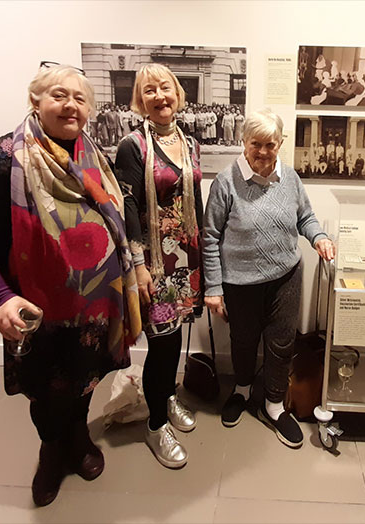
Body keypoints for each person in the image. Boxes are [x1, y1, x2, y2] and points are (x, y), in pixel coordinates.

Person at [0, 62, 141, 507]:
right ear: (34, 101)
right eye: (58, 94)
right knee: (47, 387)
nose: (70, 105)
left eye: (79, 98)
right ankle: (52, 450)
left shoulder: (94, 156)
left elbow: (116, 217)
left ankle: (79, 436)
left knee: (84, 379)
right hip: (38, 309)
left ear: (90, 110)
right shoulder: (2, 158)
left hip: (97, 306)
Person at [203, 109, 335, 448]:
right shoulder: (225, 182)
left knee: (281, 343)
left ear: (281, 143)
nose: (263, 152)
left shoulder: (290, 178)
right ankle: (243, 389)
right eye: (255, 144)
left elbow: (306, 216)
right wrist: (214, 287)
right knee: (244, 339)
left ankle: (275, 404)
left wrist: (318, 236)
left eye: (271, 144)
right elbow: (210, 236)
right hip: (240, 281)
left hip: (285, 276)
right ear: (243, 142)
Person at [114, 64, 204, 469]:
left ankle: (167, 397)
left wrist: (205, 257)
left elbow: (195, 201)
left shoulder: (190, 142)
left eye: (164, 87)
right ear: (140, 99)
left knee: (173, 342)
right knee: (161, 344)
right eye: (149, 90)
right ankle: (154, 425)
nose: (159, 96)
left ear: (177, 93)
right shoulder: (132, 145)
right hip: (154, 262)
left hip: (185, 259)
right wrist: (138, 265)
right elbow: (128, 205)